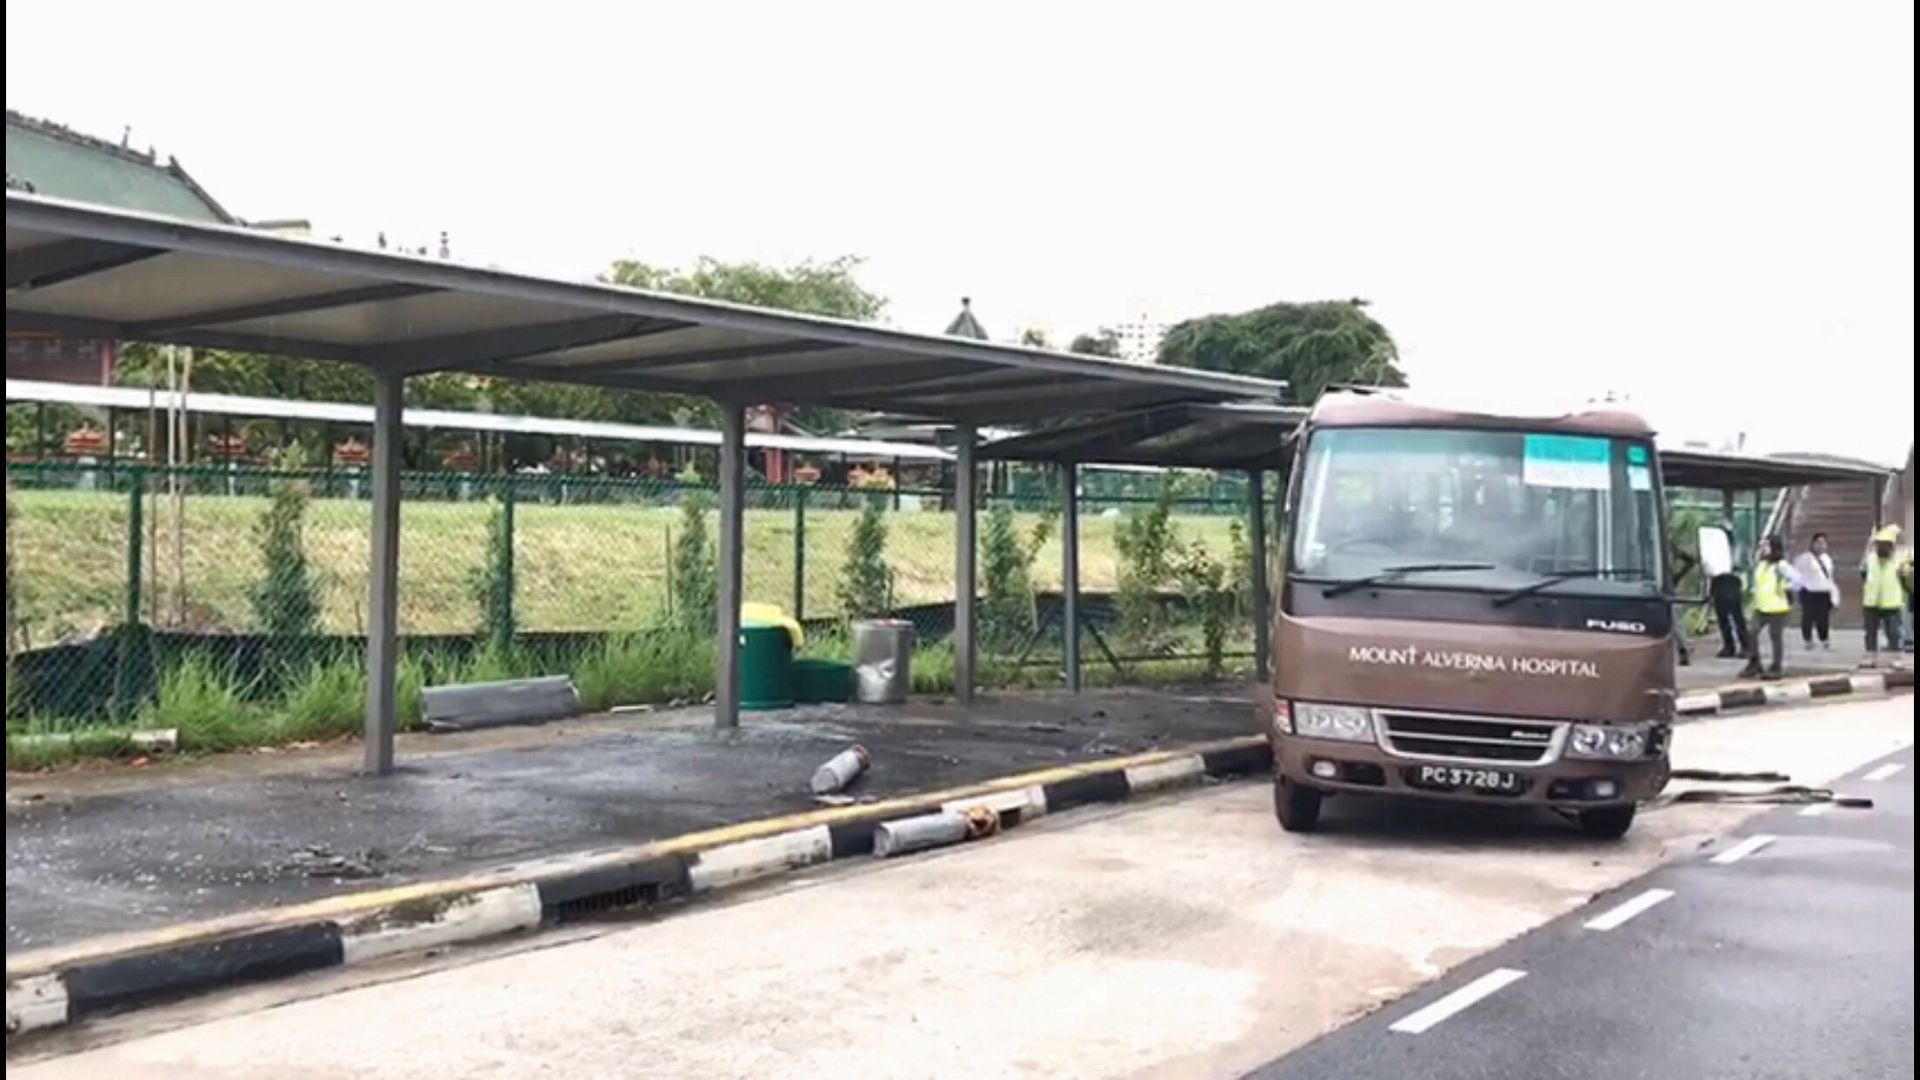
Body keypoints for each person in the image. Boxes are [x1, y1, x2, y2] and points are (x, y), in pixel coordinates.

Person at [1742, 534, 1801, 679]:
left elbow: (1798, 579)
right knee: (1751, 632)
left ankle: (1776, 666)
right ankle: (1754, 662)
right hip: (1761, 606)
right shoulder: (1762, 565)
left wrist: (1786, 588)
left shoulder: (1781, 566)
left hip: (1777, 607)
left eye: (1766, 546)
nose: (1763, 549)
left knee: (1775, 637)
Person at [1701, 520, 1749, 659]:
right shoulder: (1713, 549)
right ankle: (1729, 646)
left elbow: (1741, 564)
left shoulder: (1737, 547)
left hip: (1731, 581)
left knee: (1736, 616)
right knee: (1722, 617)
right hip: (1718, 581)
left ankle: (1745, 646)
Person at [1860, 526, 1907, 667]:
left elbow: (1906, 580)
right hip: (1871, 601)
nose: (1882, 548)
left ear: (1892, 546)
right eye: (1879, 545)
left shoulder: (1900, 561)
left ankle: (1895, 658)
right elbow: (1863, 575)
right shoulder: (1870, 559)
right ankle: (1870, 657)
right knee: (1870, 632)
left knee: (1893, 633)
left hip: (1891, 602)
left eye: (1885, 545)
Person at [1792, 532, 1839, 650]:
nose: (1821, 545)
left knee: (1823, 618)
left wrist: (1834, 594)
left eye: (1823, 543)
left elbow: (1829, 577)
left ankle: (1824, 639)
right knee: (1808, 617)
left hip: (1824, 591)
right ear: (1813, 544)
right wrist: (1796, 589)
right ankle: (1808, 640)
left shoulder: (1827, 559)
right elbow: (1798, 574)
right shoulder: (1804, 558)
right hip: (1809, 590)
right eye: (1818, 543)